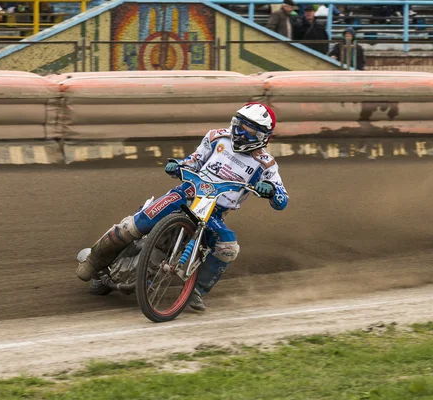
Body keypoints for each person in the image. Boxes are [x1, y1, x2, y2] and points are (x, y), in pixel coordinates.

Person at [76, 103, 289, 312]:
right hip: (185, 193)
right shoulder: (217, 138)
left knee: (228, 247)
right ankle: (94, 260)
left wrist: (271, 190)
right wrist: (178, 165)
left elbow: (282, 199)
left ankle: (195, 291)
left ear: (262, 136)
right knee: (135, 224)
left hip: (214, 212)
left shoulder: (266, 164)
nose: (241, 133)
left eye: (249, 130)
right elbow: (193, 161)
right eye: (239, 125)